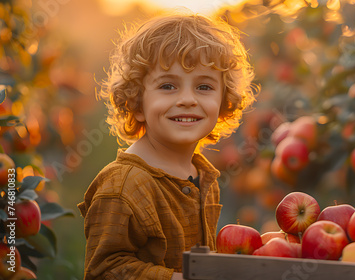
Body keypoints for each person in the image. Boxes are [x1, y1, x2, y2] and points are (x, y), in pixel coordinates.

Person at [77, 10, 256, 279]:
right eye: (168, 86)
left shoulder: (203, 177)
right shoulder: (123, 186)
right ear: (136, 102)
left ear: (223, 103)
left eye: (204, 87)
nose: (187, 99)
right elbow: (105, 269)